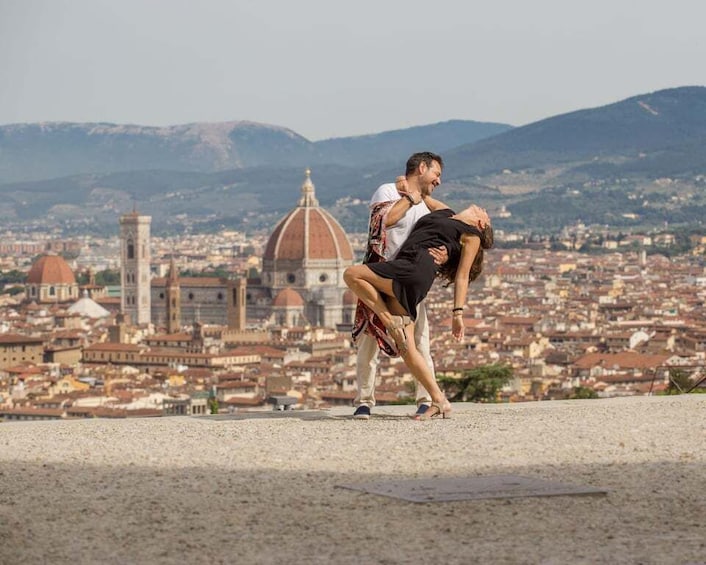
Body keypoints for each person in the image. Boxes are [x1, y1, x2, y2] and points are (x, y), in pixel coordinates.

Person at [344, 198, 493, 420]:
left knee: (352, 274)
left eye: (485, 213)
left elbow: (462, 276)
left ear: (481, 224)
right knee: (406, 347)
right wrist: (406, 186)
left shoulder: (472, 236)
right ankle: (439, 400)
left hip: (413, 268)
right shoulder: (445, 213)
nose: (483, 208)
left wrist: (458, 313)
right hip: (411, 273)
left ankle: (387, 318)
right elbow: (422, 194)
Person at [351, 152, 446, 420]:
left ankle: (426, 399)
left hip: (408, 280)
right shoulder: (388, 190)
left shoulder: (426, 205)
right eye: (436, 174)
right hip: (378, 274)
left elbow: (447, 224)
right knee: (367, 342)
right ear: (422, 168)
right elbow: (382, 222)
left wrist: (446, 253)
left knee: (420, 342)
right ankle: (365, 401)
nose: (438, 180)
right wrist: (410, 198)